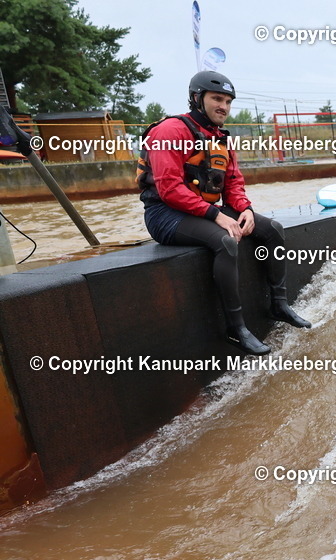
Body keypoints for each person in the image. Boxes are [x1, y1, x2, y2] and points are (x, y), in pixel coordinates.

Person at [137, 71, 310, 355]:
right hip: (164, 214)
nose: (224, 107)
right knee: (225, 241)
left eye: (228, 101)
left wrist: (246, 209)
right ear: (196, 98)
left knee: (272, 229)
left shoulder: (220, 139)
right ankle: (236, 328)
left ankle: (279, 305)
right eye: (217, 99)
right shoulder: (170, 132)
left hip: (200, 210)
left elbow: (233, 184)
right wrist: (215, 215)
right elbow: (168, 189)